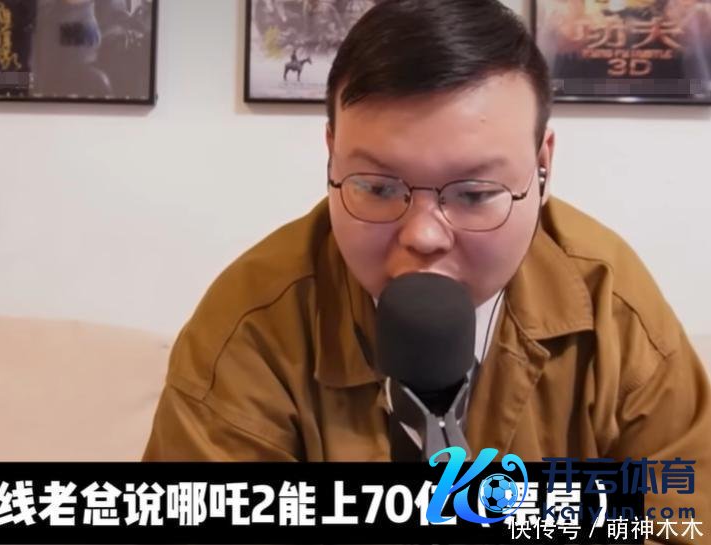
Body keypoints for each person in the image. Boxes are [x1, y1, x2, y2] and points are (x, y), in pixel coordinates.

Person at [143, 0, 709, 538]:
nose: (423, 235)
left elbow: (686, 520)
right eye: (377, 188)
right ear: (331, 154)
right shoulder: (253, 324)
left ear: (542, 167)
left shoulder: (610, 304)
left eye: (474, 193)